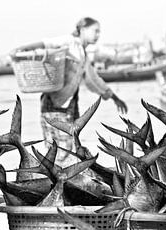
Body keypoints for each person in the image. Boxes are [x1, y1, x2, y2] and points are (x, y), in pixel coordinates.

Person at [10, 17, 128, 167]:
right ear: (83, 30)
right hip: (54, 106)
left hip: (70, 107)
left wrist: (114, 97)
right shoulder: (69, 42)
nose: (98, 35)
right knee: (58, 151)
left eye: (99, 32)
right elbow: (45, 43)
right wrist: (21, 49)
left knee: (70, 148)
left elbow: (93, 79)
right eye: (95, 31)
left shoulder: (83, 52)